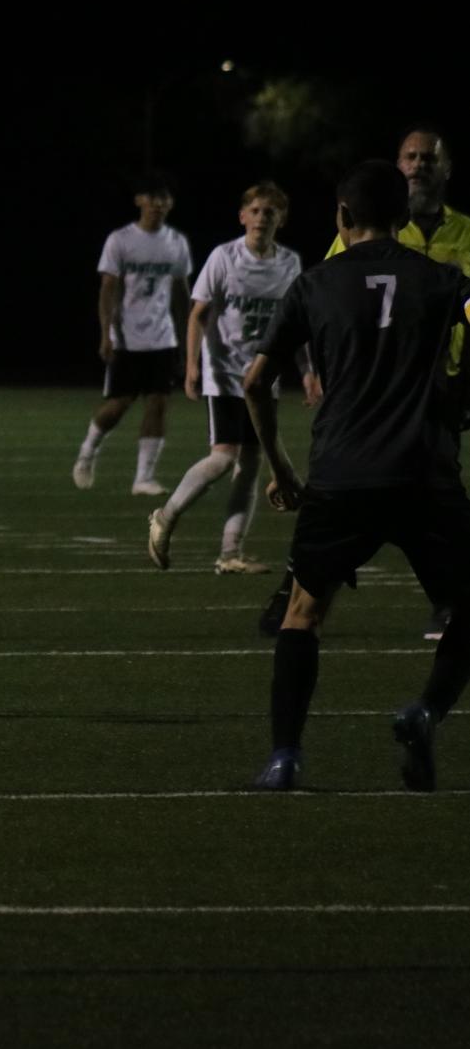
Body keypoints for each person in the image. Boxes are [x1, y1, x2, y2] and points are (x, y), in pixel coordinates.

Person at [241, 160, 470, 792]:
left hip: (341, 474)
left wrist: (284, 469)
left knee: (302, 615)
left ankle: (285, 758)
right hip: (426, 471)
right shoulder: (444, 279)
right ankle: (425, 711)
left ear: (342, 217)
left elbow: (256, 383)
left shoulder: (314, 284)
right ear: (402, 218)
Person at [258, 126, 470, 640]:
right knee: (387, 490)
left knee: (417, 489)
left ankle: (445, 601)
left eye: (429, 158)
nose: (419, 165)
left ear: (447, 169)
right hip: (375, 383)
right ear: (397, 169)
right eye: (410, 156)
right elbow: (329, 304)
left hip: (444, 386)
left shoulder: (465, 232)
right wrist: (322, 371)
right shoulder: (355, 238)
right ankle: (300, 583)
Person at [145, 183, 301, 573]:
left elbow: (294, 324)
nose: (262, 217)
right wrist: (194, 364)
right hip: (227, 372)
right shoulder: (224, 257)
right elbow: (198, 313)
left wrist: (310, 371)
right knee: (224, 455)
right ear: (242, 216)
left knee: (248, 464)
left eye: (271, 212)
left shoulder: (289, 264)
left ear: (282, 219)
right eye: (256, 210)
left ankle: (230, 553)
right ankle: (166, 514)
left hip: (264, 376)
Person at [73, 173, 193, 495]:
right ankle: (88, 452)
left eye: (164, 198)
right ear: (139, 200)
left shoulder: (176, 243)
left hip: (163, 337)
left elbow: (181, 293)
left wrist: (186, 338)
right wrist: (106, 333)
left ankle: (143, 477)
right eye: (152, 197)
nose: (158, 203)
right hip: (127, 337)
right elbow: (108, 290)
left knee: (158, 404)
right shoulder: (121, 240)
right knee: (119, 405)